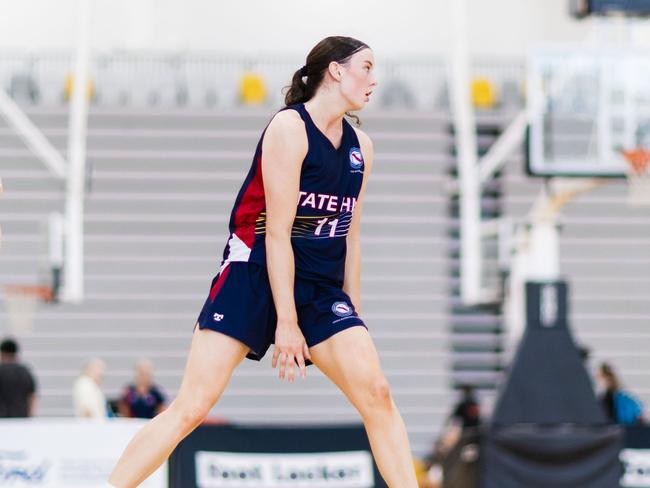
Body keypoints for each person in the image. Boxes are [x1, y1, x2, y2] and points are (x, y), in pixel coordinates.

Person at [107, 36, 418, 488]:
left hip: (320, 283)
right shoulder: (289, 129)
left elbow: (350, 234)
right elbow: (276, 231)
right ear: (335, 70)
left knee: (379, 393)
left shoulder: (361, 148)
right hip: (254, 268)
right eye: (366, 67)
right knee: (193, 406)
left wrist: (353, 314)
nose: (374, 79)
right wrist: (287, 324)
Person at [0, 337, 37, 417]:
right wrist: (30, 415)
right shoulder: (25, 372)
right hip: (21, 420)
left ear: (2, 353)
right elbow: (32, 396)